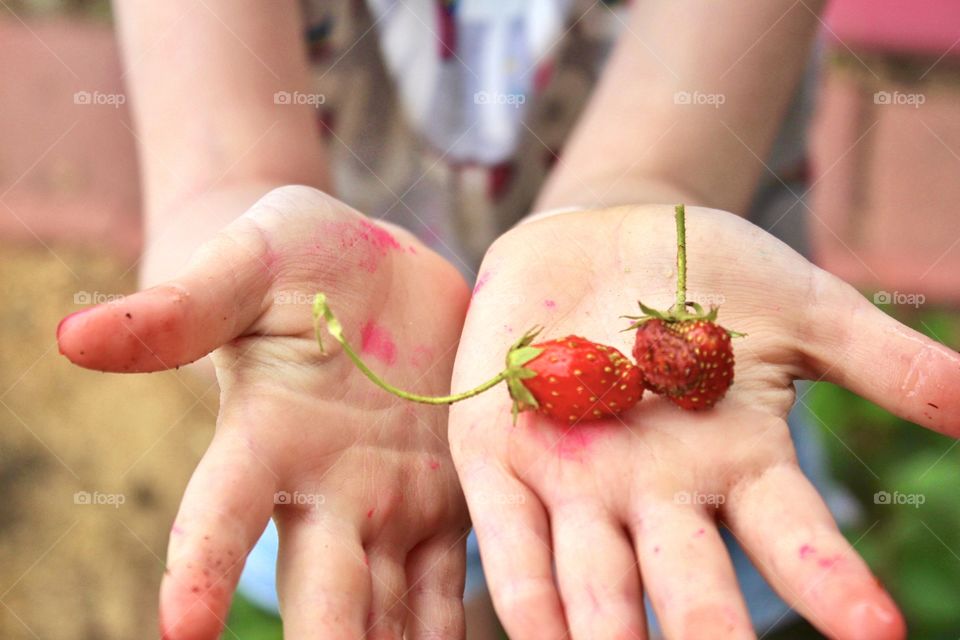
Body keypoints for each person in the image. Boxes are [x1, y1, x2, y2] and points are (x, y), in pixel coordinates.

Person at [55, 1, 960, 638]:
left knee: (627, 570)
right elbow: (219, 159)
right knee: (421, 579)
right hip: (344, 381)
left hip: (675, 282)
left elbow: (667, 166)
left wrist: (606, 224)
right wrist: (246, 252)